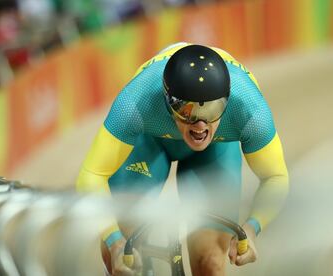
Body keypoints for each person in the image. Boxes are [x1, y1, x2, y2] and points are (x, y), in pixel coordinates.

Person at [76, 42, 289, 276]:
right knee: (123, 253)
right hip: (150, 139)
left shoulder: (249, 109)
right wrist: (115, 241)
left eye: (211, 111)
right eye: (187, 112)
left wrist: (252, 228)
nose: (200, 126)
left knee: (210, 263)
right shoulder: (136, 101)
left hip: (216, 147)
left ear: (227, 101)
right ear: (168, 101)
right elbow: (92, 175)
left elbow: (275, 177)